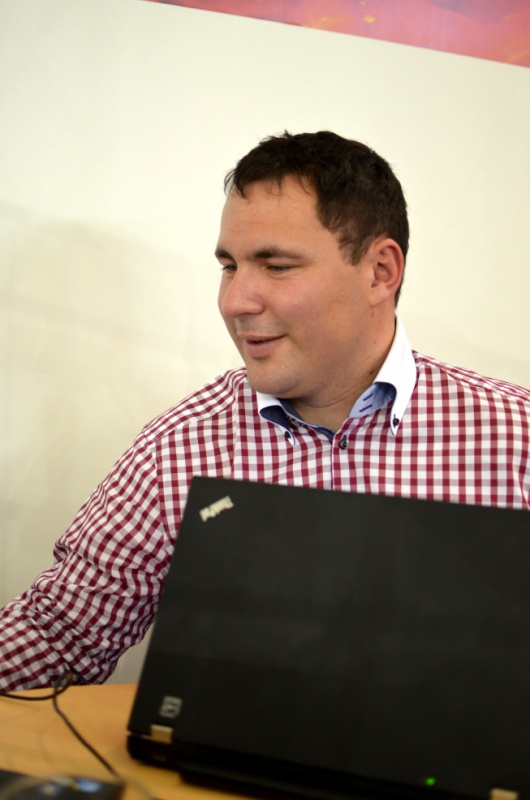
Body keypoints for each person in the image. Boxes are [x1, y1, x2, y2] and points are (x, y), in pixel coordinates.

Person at [1, 131, 529, 692]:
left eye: (275, 266)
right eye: (230, 266)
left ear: (380, 271)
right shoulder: (180, 447)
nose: (234, 302)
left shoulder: (516, 438)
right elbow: (57, 633)